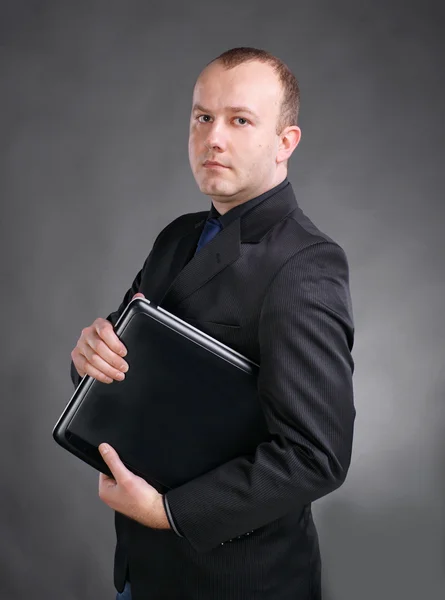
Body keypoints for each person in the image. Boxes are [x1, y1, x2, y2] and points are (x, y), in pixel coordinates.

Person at [70, 46, 355, 600]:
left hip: (237, 581)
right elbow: (129, 363)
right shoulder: (176, 236)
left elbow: (316, 458)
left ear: (285, 143)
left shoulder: (306, 263)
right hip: (144, 570)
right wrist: (90, 353)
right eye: (203, 117)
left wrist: (168, 512)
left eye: (240, 120)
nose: (213, 138)